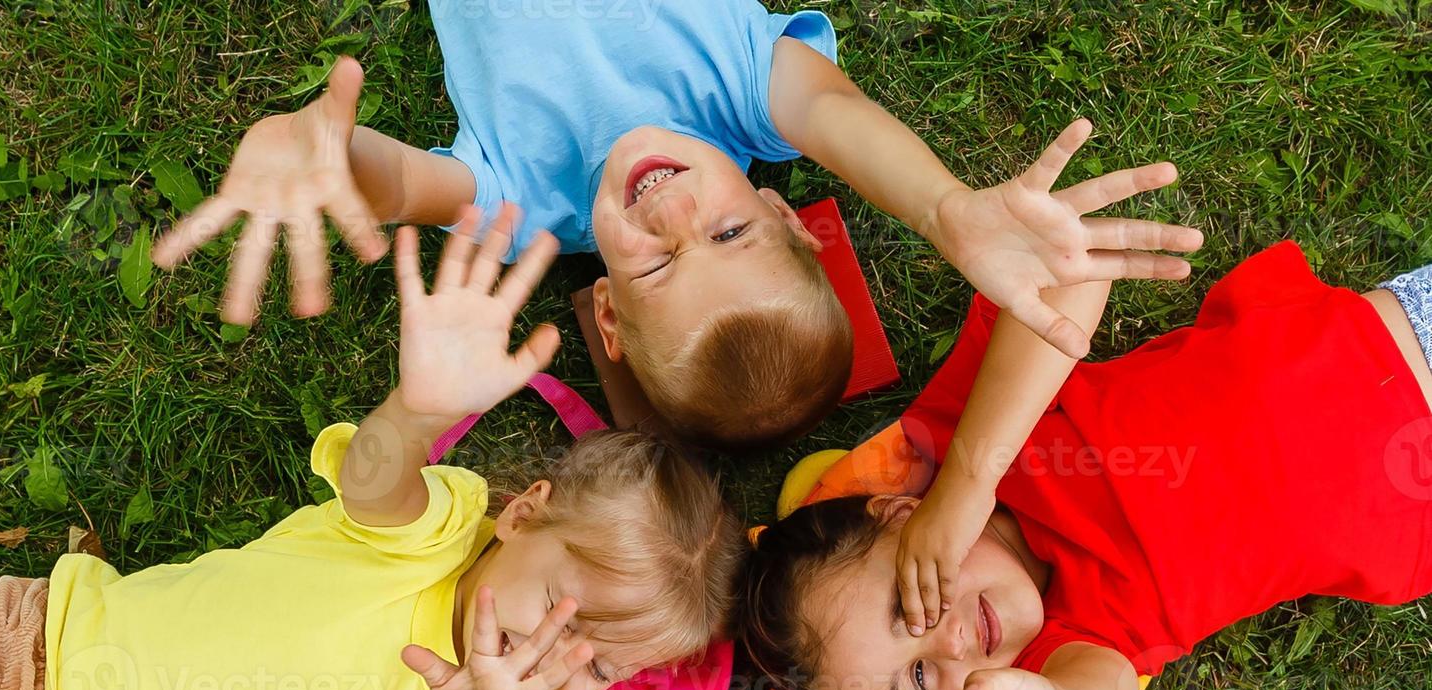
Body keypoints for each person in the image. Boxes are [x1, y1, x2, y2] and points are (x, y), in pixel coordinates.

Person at [0, 208, 744, 690]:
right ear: (524, 517)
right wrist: (417, 408)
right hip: (19, 655)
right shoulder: (436, 537)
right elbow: (373, 483)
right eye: (558, 609)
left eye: (598, 666)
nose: (550, 655)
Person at [152, 0, 1201, 449]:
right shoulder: (747, 94)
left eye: (657, 268)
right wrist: (945, 212)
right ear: (784, 210)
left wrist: (317, 147)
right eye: (732, 234)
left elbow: (395, 183)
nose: (672, 214)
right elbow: (835, 116)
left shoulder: (521, 208)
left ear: (604, 313)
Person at [723, 242, 1432, 690]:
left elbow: (1070, 270)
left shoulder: (969, 437)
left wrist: (968, 482)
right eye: (916, 676)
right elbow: (1103, 687)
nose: (951, 644)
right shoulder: (1055, 651)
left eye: (910, 605)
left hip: (1389, 348)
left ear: (902, 513)